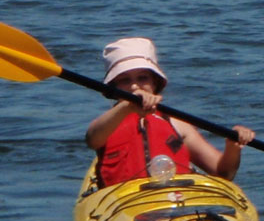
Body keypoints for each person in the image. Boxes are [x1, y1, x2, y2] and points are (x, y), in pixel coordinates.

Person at [85, 37, 254, 187]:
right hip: (124, 205)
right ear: (113, 88)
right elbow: (92, 139)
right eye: (124, 80)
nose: (134, 86)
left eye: (142, 78)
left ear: (155, 82)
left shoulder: (176, 123)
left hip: (176, 200)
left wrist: (232, 148)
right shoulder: (107, 124)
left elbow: (223, 173)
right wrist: (127, 106)